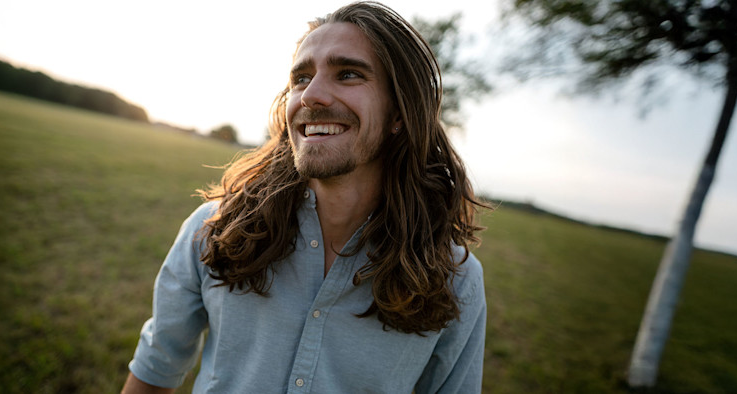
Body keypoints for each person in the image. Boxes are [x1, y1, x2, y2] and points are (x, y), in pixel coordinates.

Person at [122, 2, 488, 392]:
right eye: (301, 78)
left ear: (400, 112)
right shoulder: (213, 229)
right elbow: (155, 370)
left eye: (348, 74)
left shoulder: (456, 280)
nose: (311, 96)